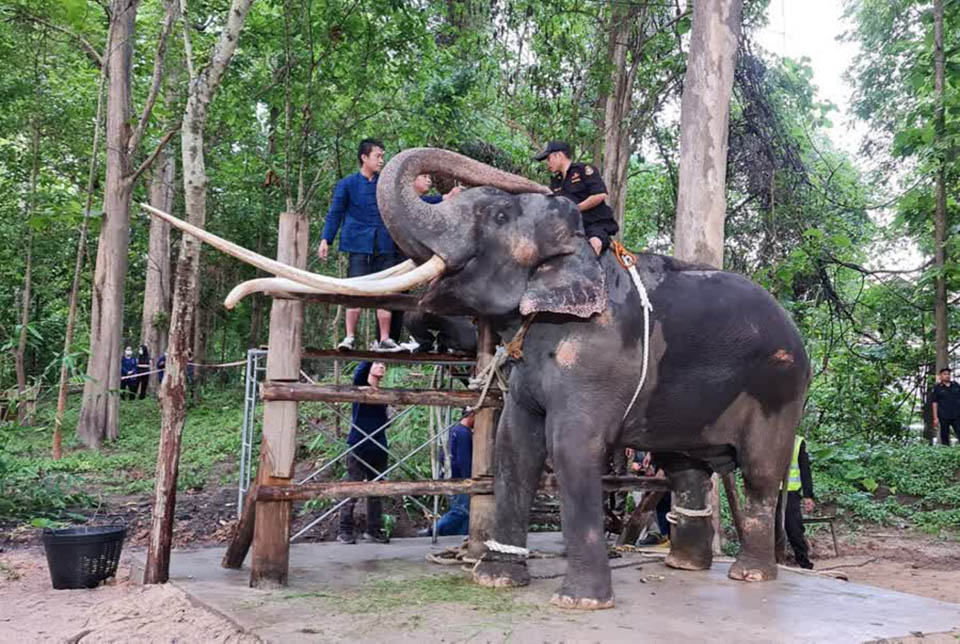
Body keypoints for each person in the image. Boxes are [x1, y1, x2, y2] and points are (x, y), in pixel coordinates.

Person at [319, 139, 402, 353]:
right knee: (354, 290)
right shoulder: (347, 184)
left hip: (384, 244)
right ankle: (349, 337)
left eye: (383, 156)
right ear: (364, 157)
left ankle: (384, 338)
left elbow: (407, 204)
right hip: (358, 244)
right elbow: (335, 212)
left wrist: (442, 198)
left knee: (386, 291)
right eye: (378, 156)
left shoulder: (386, 183)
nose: (381, 160)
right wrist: (326, 239)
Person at [534, 140, 619, 256]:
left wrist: (575, 208)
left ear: (558, 155)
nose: (547, 163)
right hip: (570, 228)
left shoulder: (583, 170)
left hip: (593, 225)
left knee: (595, 243)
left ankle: (593, 274)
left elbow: (600, 195)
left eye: (548, 159)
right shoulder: (556, 182)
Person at [339, 361, 391, 544]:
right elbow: (360, 370)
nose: (382, 366)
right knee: (352, 489)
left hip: (379, 446)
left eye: (384, 363)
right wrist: (373, 354)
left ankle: (374, 530)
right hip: (359, 445)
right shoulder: (360, 386)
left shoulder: (383, 394)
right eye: (378, 363)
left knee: (376, 492)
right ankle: (344, 530)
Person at [419, 409, 475, 537]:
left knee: (466, 512)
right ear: (472, 415)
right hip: (459, 478)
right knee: (461, 511)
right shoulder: (463, 433)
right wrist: (470, 479)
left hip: (449, 475)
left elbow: (442, 456)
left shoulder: (454, 430)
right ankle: (435, 530)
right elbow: (464, 460)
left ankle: (463, 536)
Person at [776, 434, 816, 569]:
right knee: (771, 528)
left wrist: (808, 495)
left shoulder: (798, 442)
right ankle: (774, 561)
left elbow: (805, 470)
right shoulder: (765, 435)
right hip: (768, 492)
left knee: (794, 529)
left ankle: (804, 564)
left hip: (790, 493)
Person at [932, 367, 960, 446]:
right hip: (944, 415)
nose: (947, 376)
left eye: (948, 374)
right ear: (940, 376)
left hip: (957, 415)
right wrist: (935, 418)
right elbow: (934, 403)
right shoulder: (937, 388)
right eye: (944, 374)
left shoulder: (956, 385)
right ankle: (946, 452)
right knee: (944, 435)